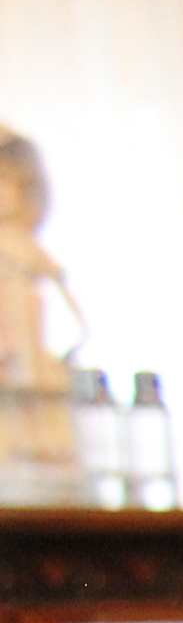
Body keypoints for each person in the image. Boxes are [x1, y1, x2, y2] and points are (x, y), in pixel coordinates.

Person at [0, 127, 88, 484]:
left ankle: (40, 449)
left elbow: (60, 287)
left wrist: (79, 334)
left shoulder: (23, 243)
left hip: (29, 333)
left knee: (37, 389)